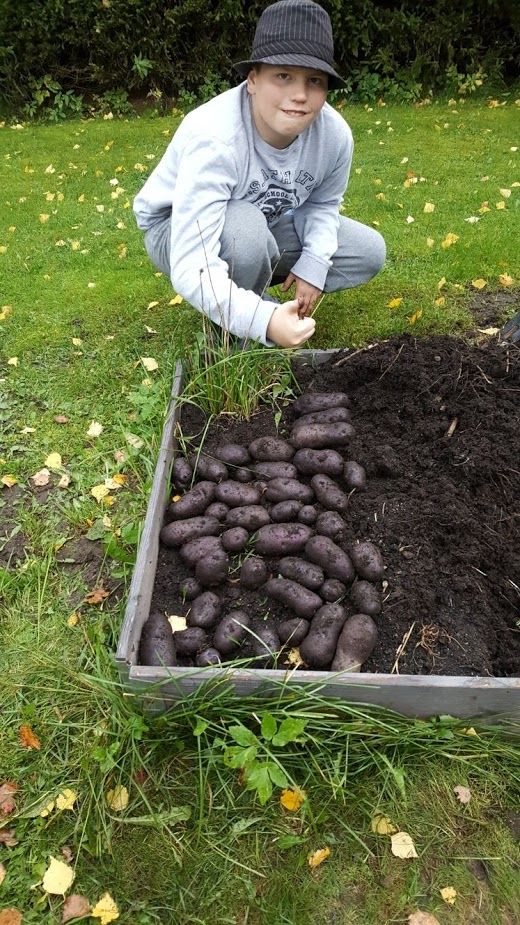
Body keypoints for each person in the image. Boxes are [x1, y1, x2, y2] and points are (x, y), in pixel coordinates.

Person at [133, 0, 386, 348]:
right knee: (245, 235)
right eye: (283, 76)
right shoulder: (215, 137)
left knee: (367, 250)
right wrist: (263, 321)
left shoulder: (334, 136)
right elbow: (193, 263)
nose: (299, 95)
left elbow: (323, 204)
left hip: (261, 222)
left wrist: (313, 264)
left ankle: (241, 294)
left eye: (314, 80)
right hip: (175, 228)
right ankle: (240, 329)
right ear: (253, 80)